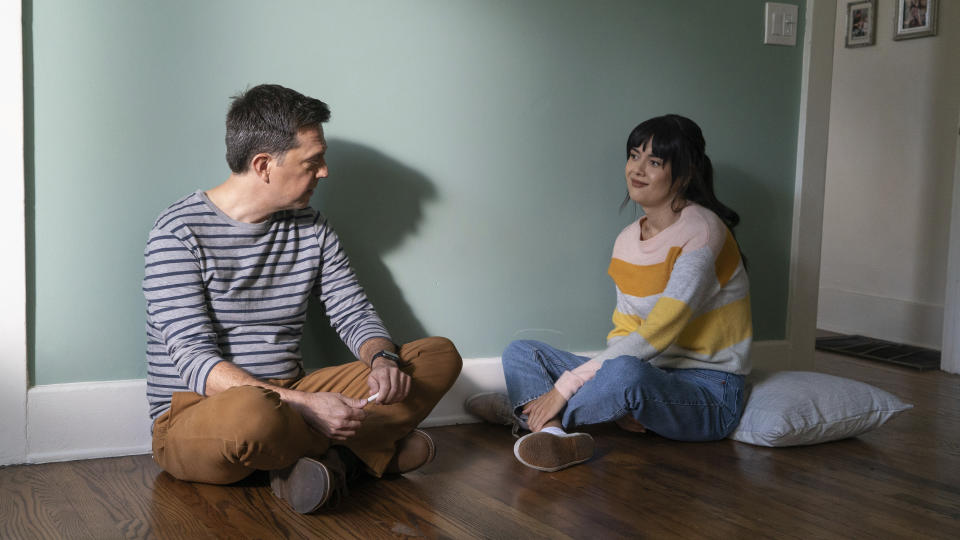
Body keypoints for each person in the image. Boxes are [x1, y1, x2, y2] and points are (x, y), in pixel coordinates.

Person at [143, 84, 462, 512]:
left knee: (437, 357)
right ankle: (353, 456)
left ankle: (309, 464)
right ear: (263, 165)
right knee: (253, 416)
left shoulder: (311, 227)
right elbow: (195, 361)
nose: (325, 171)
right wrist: (307, 407)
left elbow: (353, 311)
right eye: (313, 161)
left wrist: (382, 359)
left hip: (293, 392)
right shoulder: (177, 233)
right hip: (202, 413)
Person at [466, 114, 751, 472]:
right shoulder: (628, 240)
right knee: (522, 352)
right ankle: (553, 433)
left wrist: (568, 387)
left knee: (626, 374)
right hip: (649, 371)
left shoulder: (704, 233)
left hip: (709, 392)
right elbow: (625, 331)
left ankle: (521, 413)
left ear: (687, 172)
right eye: (634, 156)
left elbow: (657, 332)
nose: (637, 169)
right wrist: (615, 400)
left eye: (655, 162)